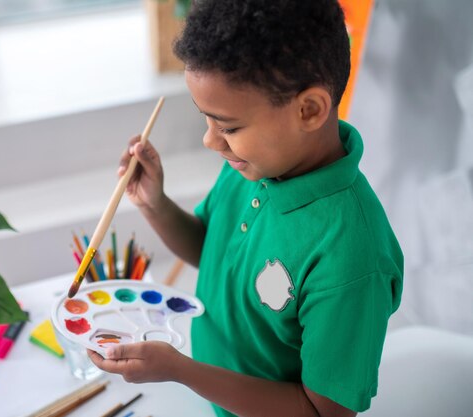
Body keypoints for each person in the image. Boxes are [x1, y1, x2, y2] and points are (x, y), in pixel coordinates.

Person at [88, 1, 404, 416]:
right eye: (207, 121)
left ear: (308, 110)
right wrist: (154, 204)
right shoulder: (253, 168)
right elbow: (211, 251)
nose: (210, 141)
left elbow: (323, 412)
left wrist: (183, 371)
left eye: (229, 127)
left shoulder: (352, 255)